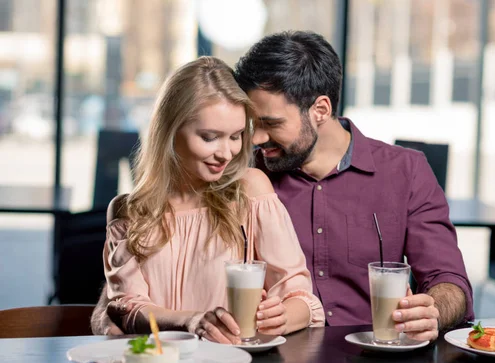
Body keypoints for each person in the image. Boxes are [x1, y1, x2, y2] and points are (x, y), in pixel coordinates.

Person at [94, 31, 473, 342]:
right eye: (248, 126)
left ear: (320, 110)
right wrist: (119, 313)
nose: (254, 140)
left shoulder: (405, 172)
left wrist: (434, 311)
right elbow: (133, 284)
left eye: (270, 123)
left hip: (376, 362)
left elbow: (450, 281)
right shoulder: (235, 177)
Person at [91, 56, 324, 342]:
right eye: (210, 137)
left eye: (236, 136)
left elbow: (299, 294)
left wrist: (284, 315)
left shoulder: (250, 190)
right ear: (170, 131)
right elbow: (126, 308)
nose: (226, 153)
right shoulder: (129, 210)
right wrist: (191, 321)